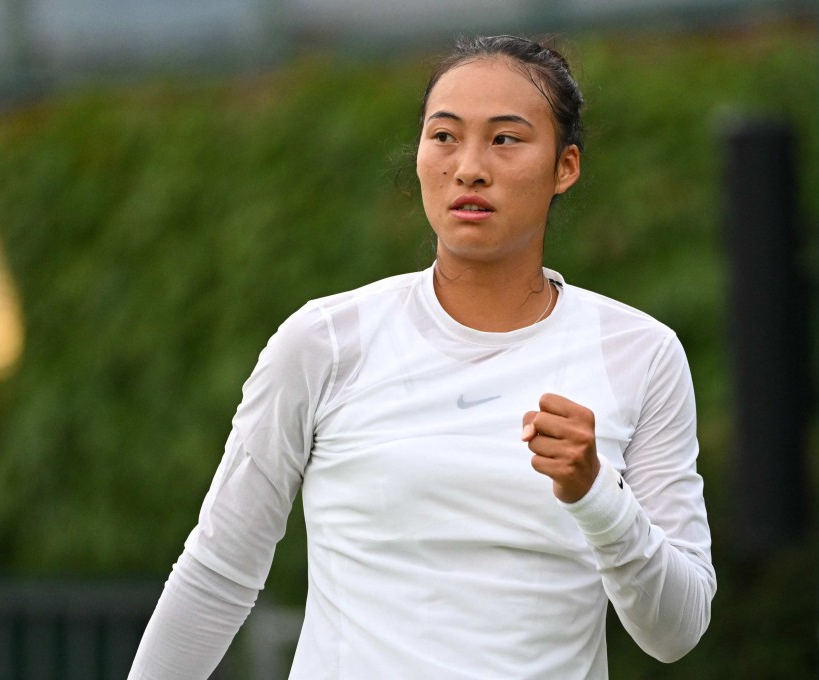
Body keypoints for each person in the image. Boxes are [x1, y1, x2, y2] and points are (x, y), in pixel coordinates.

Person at [128, 35, 716, 679]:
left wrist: (597, 495)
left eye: (505, 139)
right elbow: (218, 572)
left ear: (565, 167)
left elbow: (676, 631)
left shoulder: (641, 353)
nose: (469, 167)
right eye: (444, 136)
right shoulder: (323, 341)